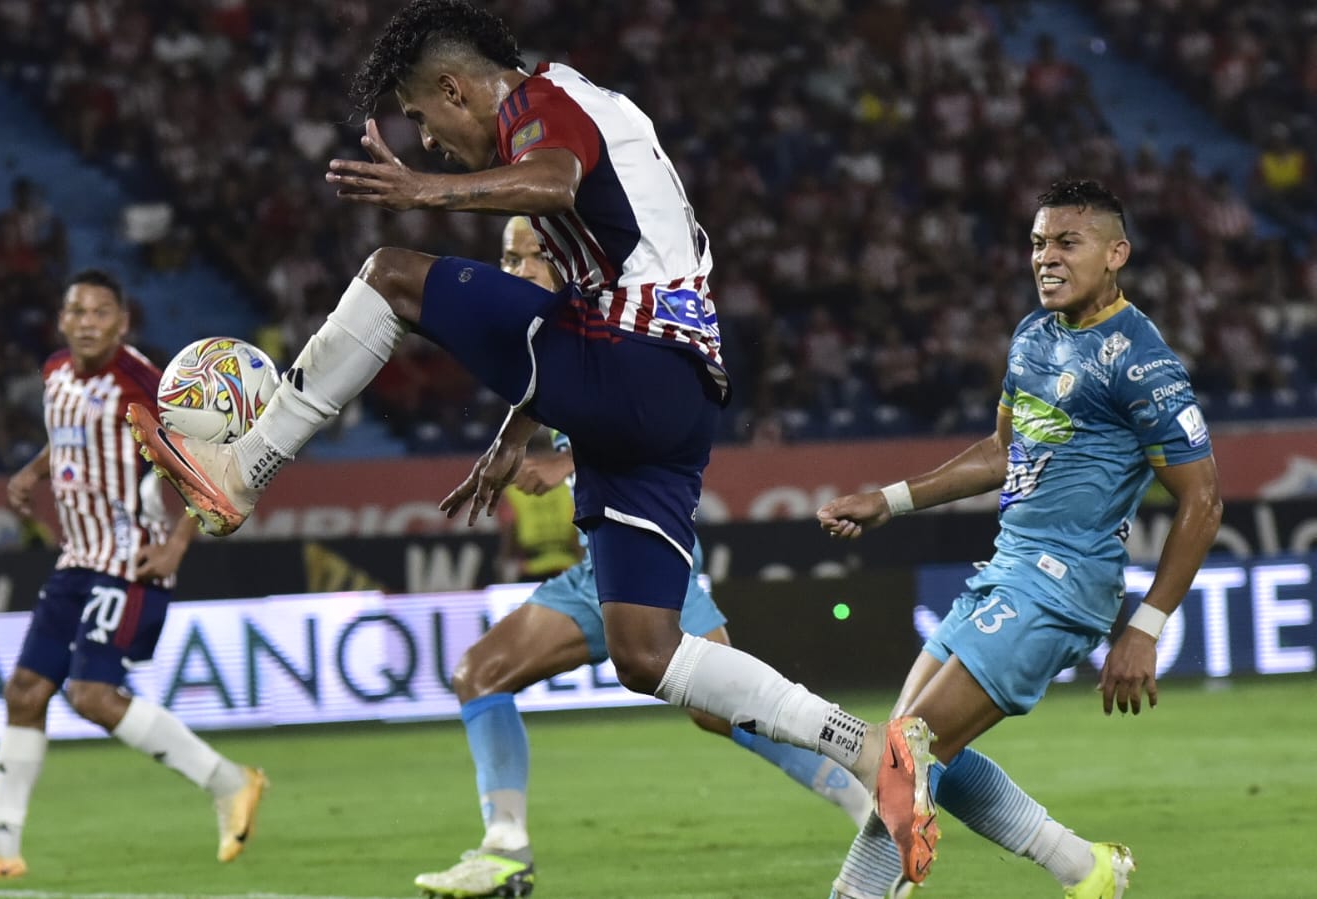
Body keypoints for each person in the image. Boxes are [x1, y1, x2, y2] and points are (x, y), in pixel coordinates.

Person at [128, 1, 939, 884]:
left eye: (422, 119)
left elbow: (550, 180)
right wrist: (520, 422)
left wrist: (420, 196)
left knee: (392, 274)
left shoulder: (541, 103)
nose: (428, 144)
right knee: (647, 651)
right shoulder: (586, 115)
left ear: (451, 87)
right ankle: (867, 751)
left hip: (636, 367)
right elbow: (583, 285)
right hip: (668, 401)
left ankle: (242, 470)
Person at [412, 217, 877, 898]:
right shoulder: (552, 334)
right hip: (595, 569)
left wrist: (560, 458)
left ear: (564, 258)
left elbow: (644, 416)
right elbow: (550, 395)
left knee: (717, 709)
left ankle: (870, 800)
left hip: (652, 553)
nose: (509, 273)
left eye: (523, 257)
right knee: (477, 673)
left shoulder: (615, 323)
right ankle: (505, 849)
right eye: (503, 258)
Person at [816, 180, 1222, 899]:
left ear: (1115, 253)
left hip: (1064, 586)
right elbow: (1000, 452)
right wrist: (889, 500)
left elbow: (1203, 497)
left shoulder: (1139, 358)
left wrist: (1145, 626)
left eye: (1067, 242)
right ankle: (1085, 868)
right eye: (1038, 242)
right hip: (1007, 569)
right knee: (899, 750)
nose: (1046, 258)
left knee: (909, 756)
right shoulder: (1034, 335)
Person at [0, 271, 268, 885]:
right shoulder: (55, 370)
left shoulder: (142, 384)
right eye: (76, 310)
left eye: (100, 312)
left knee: (91, 696)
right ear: (62, 320)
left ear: (122, 322)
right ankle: (0, 846)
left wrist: (178, 545)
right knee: (26, 693)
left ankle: (229, 782)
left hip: (129, 560)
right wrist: (36, 470)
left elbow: (206, 466)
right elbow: (72, 436)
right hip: (75, 559)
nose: (87, 321)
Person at [495, 428, 582, 584]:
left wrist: (504, 563)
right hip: (567, 566)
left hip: (530, 569)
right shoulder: (568, 482)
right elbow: (578, 528)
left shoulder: (514, 488)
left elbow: (510, 528)